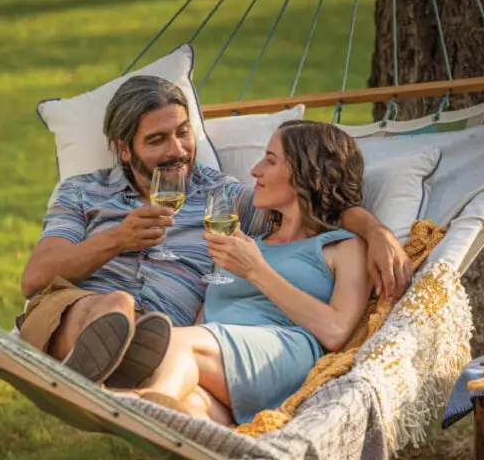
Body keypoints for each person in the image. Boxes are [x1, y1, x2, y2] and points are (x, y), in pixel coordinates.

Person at [18, 75, 411, 389]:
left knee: (141, 325)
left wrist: (376, 232)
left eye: (183, 132)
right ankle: (102, 362)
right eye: (157, 140)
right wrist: (116, 239)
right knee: (113, 304)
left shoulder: (224, 197)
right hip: (72, 310)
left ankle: (112, 368)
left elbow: (318, 205)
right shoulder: (83, 191)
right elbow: (36, 277)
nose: (178, 150)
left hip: (163, 337)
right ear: (124, 149)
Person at [133, 120, 372, 425]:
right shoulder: (245, 243)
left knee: (173, 343)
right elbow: (206, 317)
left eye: (270, 160)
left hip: (282, 354)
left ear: (308, 174)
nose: (255, 170)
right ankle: (131, 411)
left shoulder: (343, 247)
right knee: (188, 404)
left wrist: (257, 270)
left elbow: (336, 331)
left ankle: (140, 415)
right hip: (215, 362)